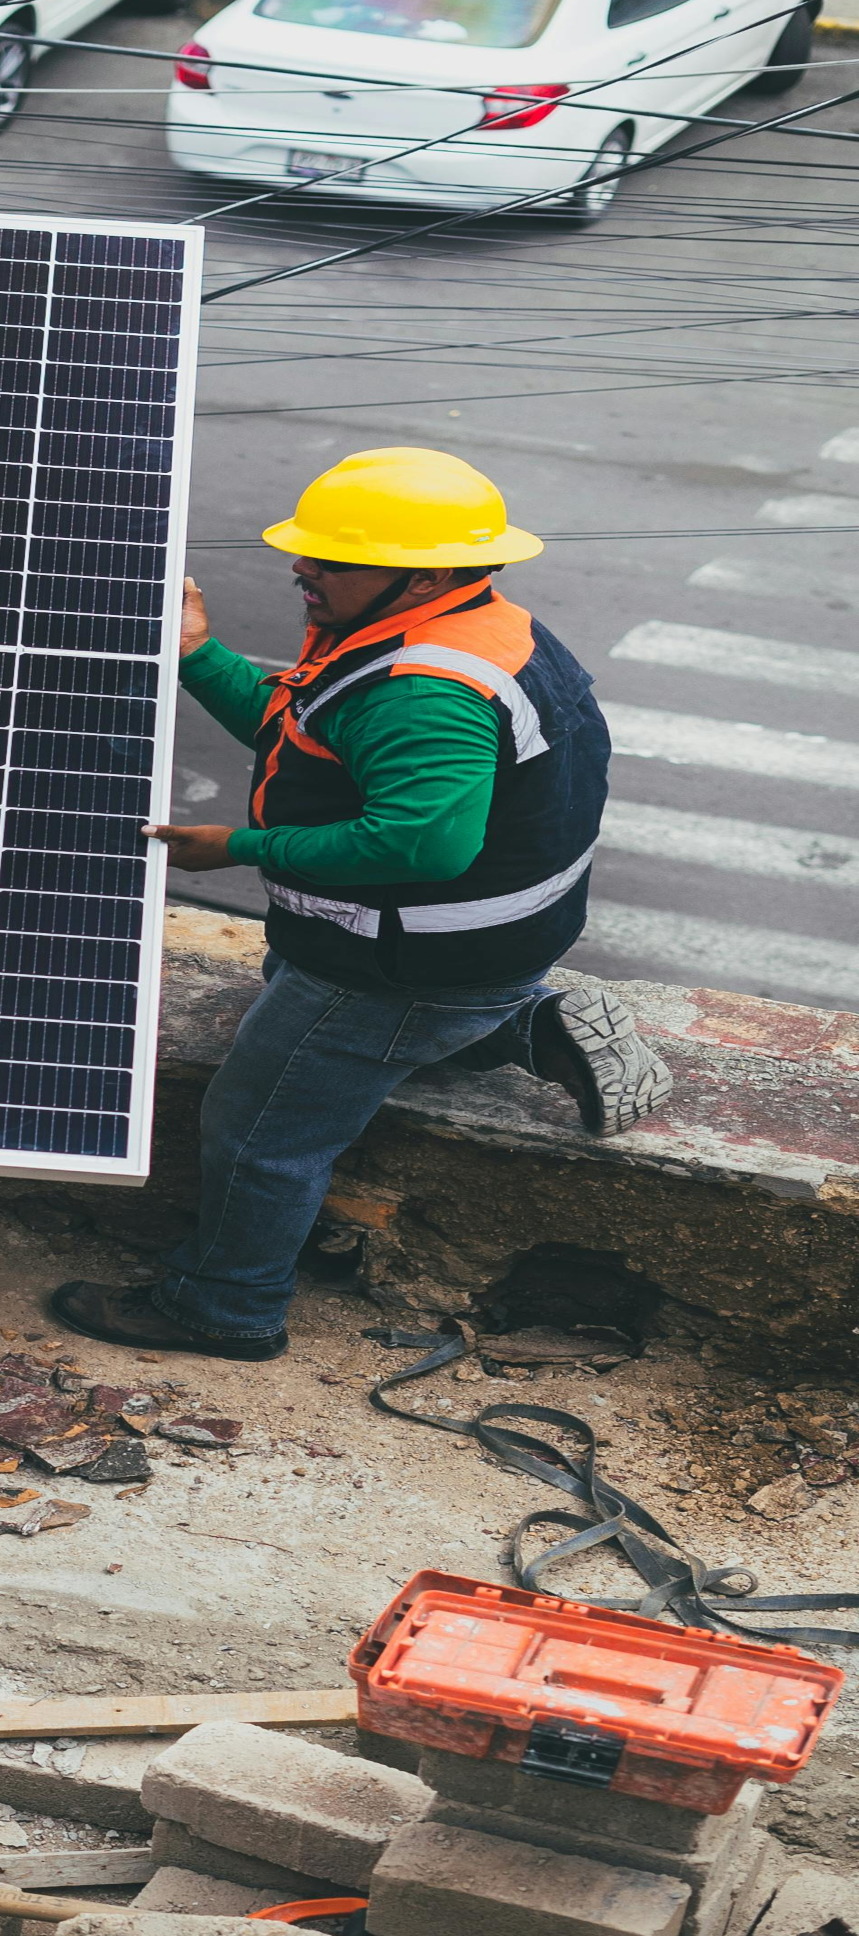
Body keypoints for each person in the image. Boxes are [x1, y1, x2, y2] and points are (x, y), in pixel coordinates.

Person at [51, 447, 673, 1366]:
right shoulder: (477, 628)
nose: (301, 569)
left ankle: (223, 1305)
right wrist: (196, 657)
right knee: (284, 992)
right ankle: (519, 1023)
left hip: (401, 964)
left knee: (258, 1129)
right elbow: (313, 730)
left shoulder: (426, 691)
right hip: (473, 948)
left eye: (333, 559)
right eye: (307, 550)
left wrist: (239, 846)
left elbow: (415, 847)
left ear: (422, 573)